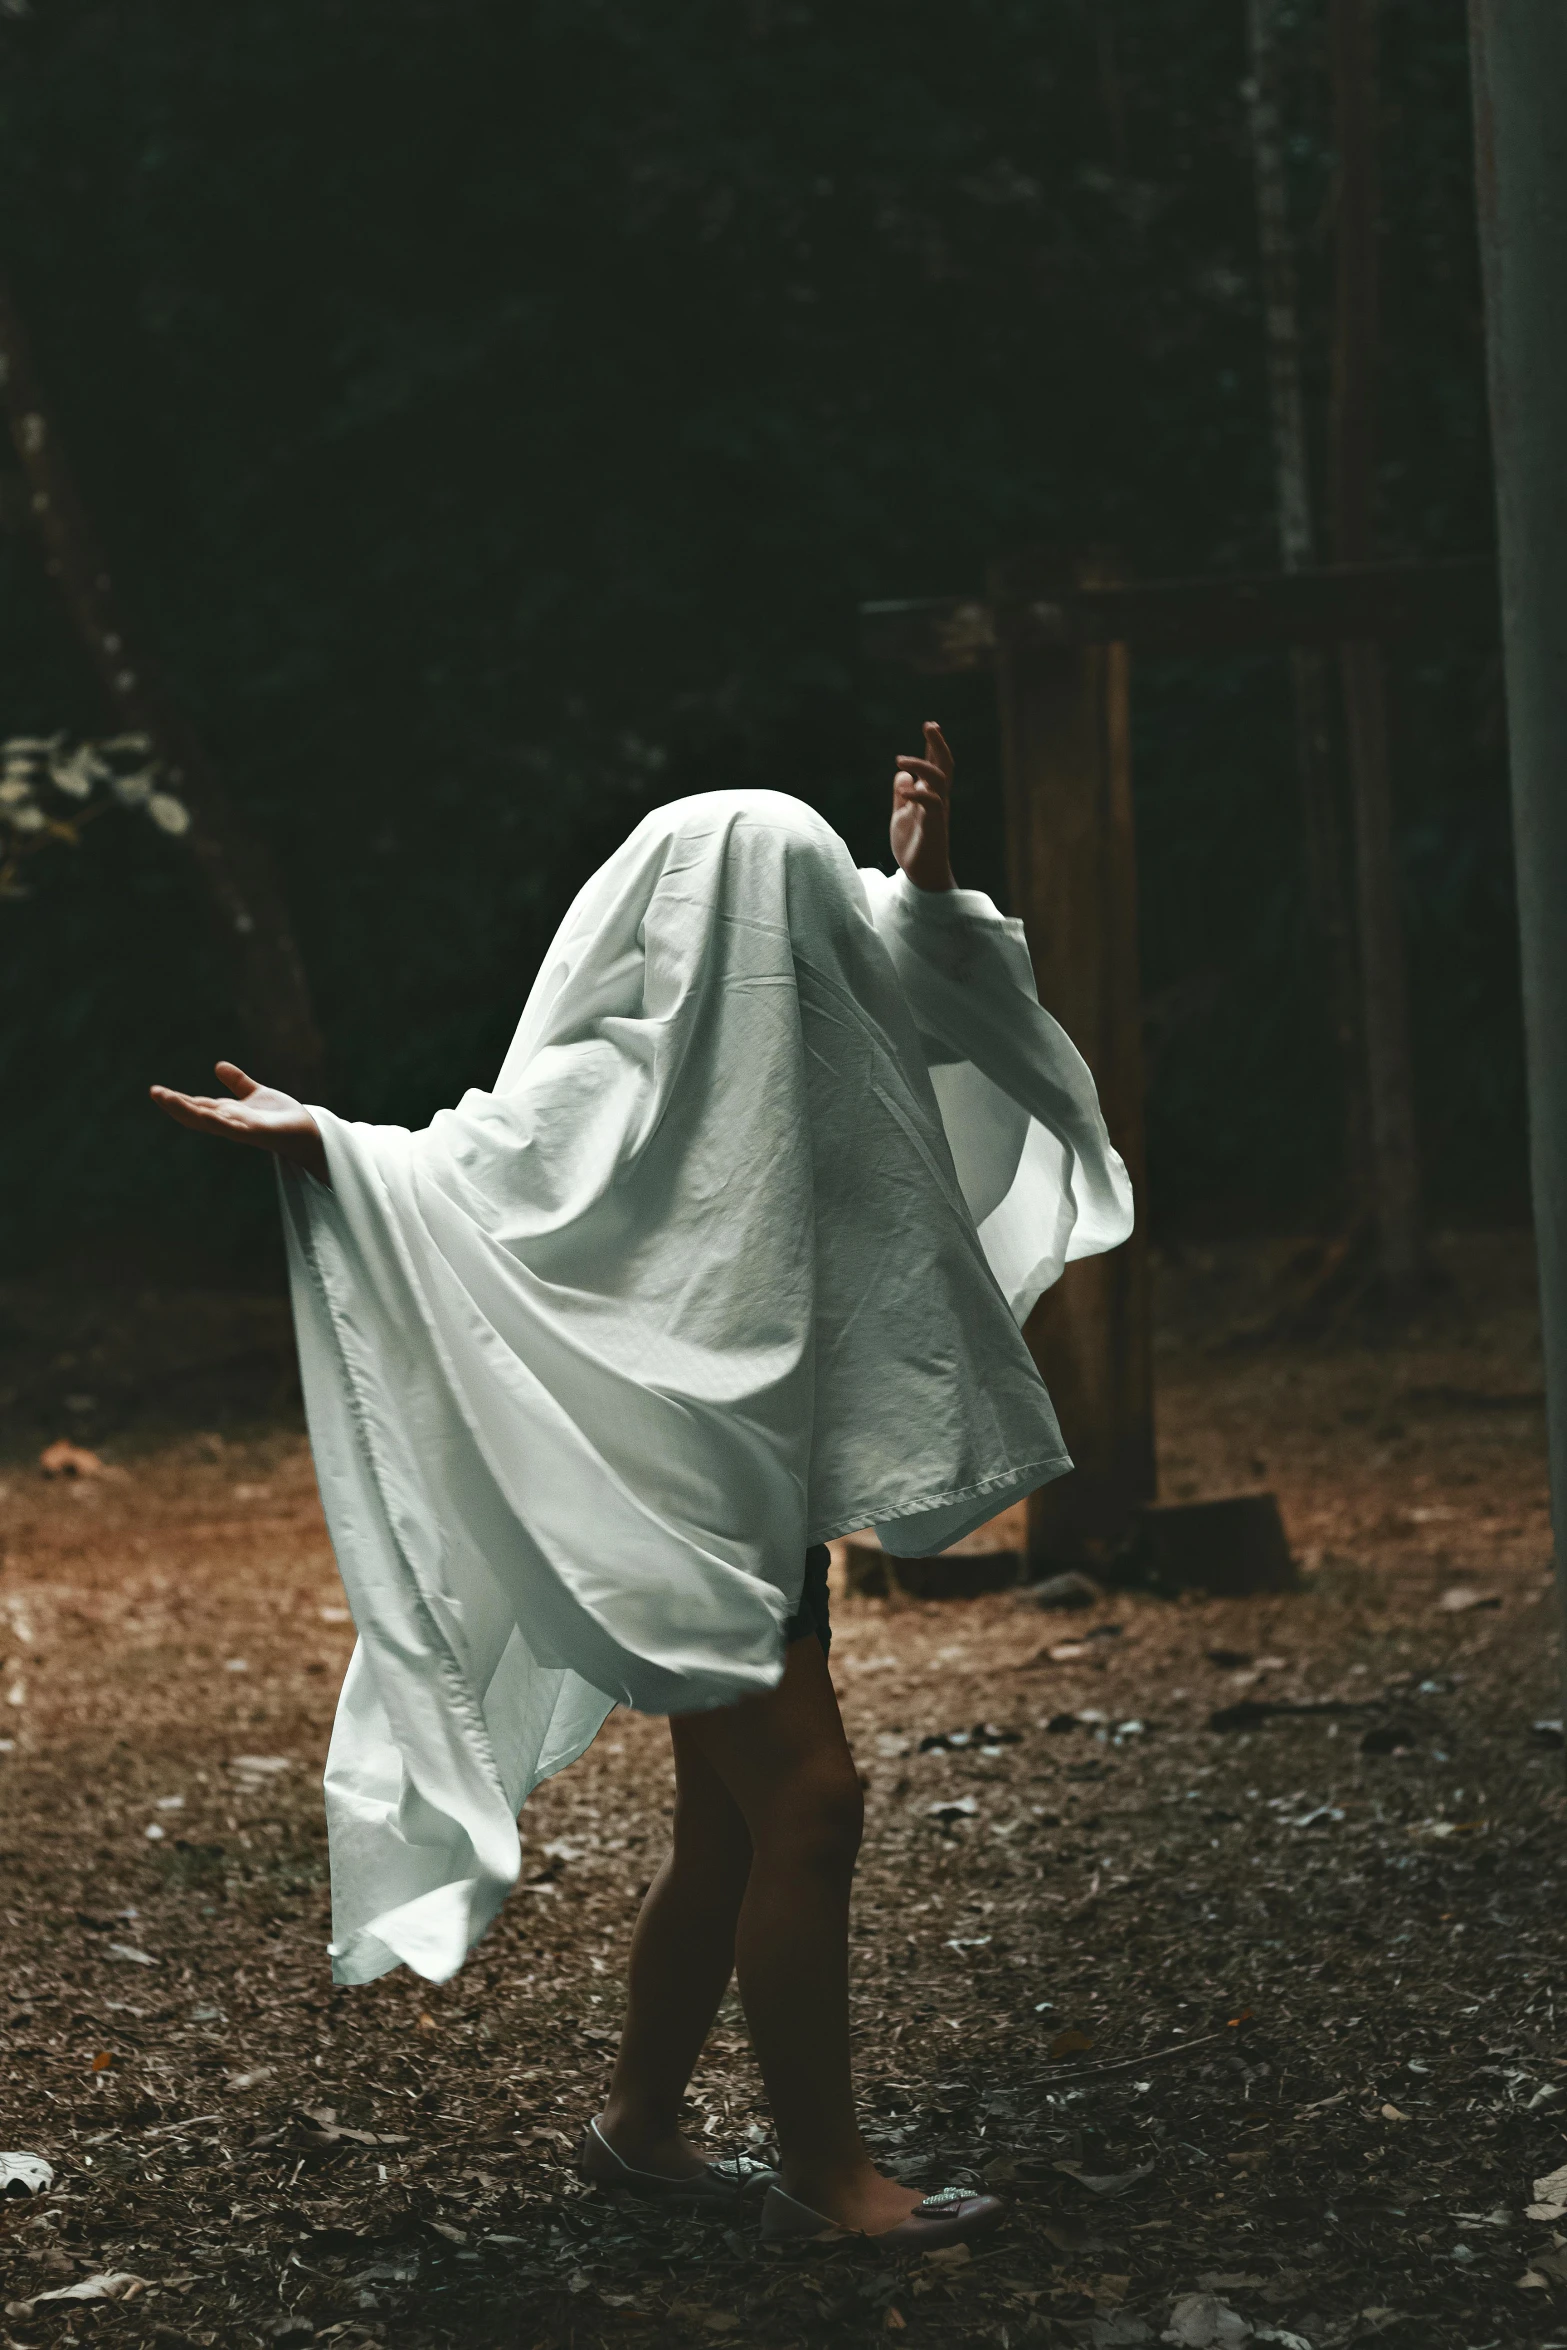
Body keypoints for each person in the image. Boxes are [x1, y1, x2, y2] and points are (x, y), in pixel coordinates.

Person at [151, 725, 1133, 2248]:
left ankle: (640, 2120)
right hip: (674, 1505)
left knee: (735, 1827)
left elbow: (959, 1013)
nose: (801, 960)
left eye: (819, 924)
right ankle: (826, 2172)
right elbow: (477, 1168)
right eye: (776, 930)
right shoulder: (624, 1069)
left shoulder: (822, 1021)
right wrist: (332, 1145)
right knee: (810, 1801)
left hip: (754, 1485)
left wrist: (928, 896)